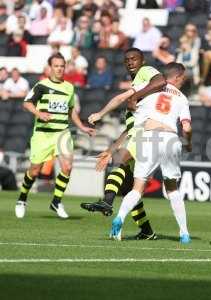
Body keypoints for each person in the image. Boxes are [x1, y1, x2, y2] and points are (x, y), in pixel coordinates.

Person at [81, 48, 167, 240]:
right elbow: (129, 129)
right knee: (129, 188)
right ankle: (147, 231)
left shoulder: (146, 73)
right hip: (139, 134)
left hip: (148, 133)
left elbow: (161, 80)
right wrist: (110, 150)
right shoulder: (138, 85)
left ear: (142, 60)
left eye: (134, 59)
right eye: (127, 60)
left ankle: (107, 202)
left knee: (120, 161)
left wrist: (100, 114)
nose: (130, 62)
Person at [109, 62, 192, 243]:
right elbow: (186, 126)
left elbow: (133, 107)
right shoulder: (182, 98)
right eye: (183, 78)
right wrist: (189, 143)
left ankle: (120, 218)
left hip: (149, 137)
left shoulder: (150, 92)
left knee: (137, 188)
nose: (183, 82)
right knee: (172, 189)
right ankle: (184, 233)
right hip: (170, 138)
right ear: (176, 77)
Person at [15, 53, 95, 219]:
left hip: (62, 133)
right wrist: (39, 113)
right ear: (50, 68)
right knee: (35, 170)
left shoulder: (69, 87)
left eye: (62, 66)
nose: (59, 68)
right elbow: (26, 103)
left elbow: (71, 109)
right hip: (43, 135)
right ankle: (22, 199)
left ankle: (56, 201)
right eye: (56, 66)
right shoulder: (41, 85)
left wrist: (81, 126)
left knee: (67, 167)